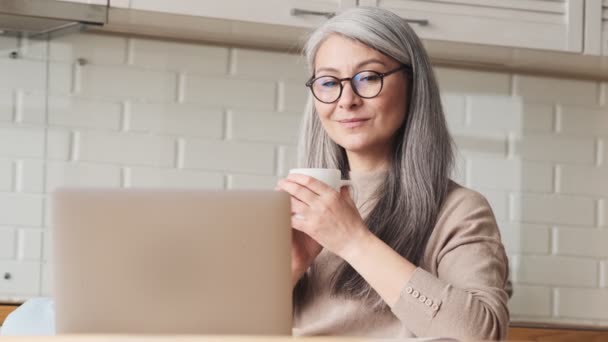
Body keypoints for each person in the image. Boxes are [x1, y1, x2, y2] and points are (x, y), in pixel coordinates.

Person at [275, 6, 511, 340]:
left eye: (368, 77)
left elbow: (480, 334)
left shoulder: (460, 211)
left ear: (413, 85)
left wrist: (353, 241)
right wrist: (291, 267)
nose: (346, 100)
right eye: (329, 82)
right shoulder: (301, 207)